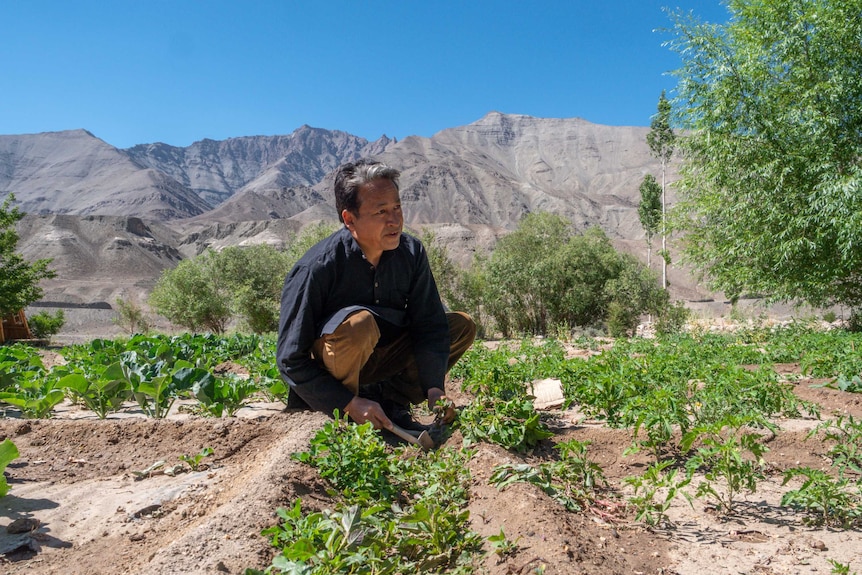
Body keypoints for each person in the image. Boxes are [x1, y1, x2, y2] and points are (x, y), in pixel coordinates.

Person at [276, 158, 476, 434]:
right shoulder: (316, 268)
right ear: (349, 219)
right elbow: (290, 360)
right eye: (381, 212)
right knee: (359, 325)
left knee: (460, 326)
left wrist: (434, 389)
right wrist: (346, 402)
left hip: (383, 359)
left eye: (397, 208)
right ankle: (346, 417)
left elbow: (429, 324)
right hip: (335, 377)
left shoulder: (411, 253)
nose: (394, 220)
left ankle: (392, 403)